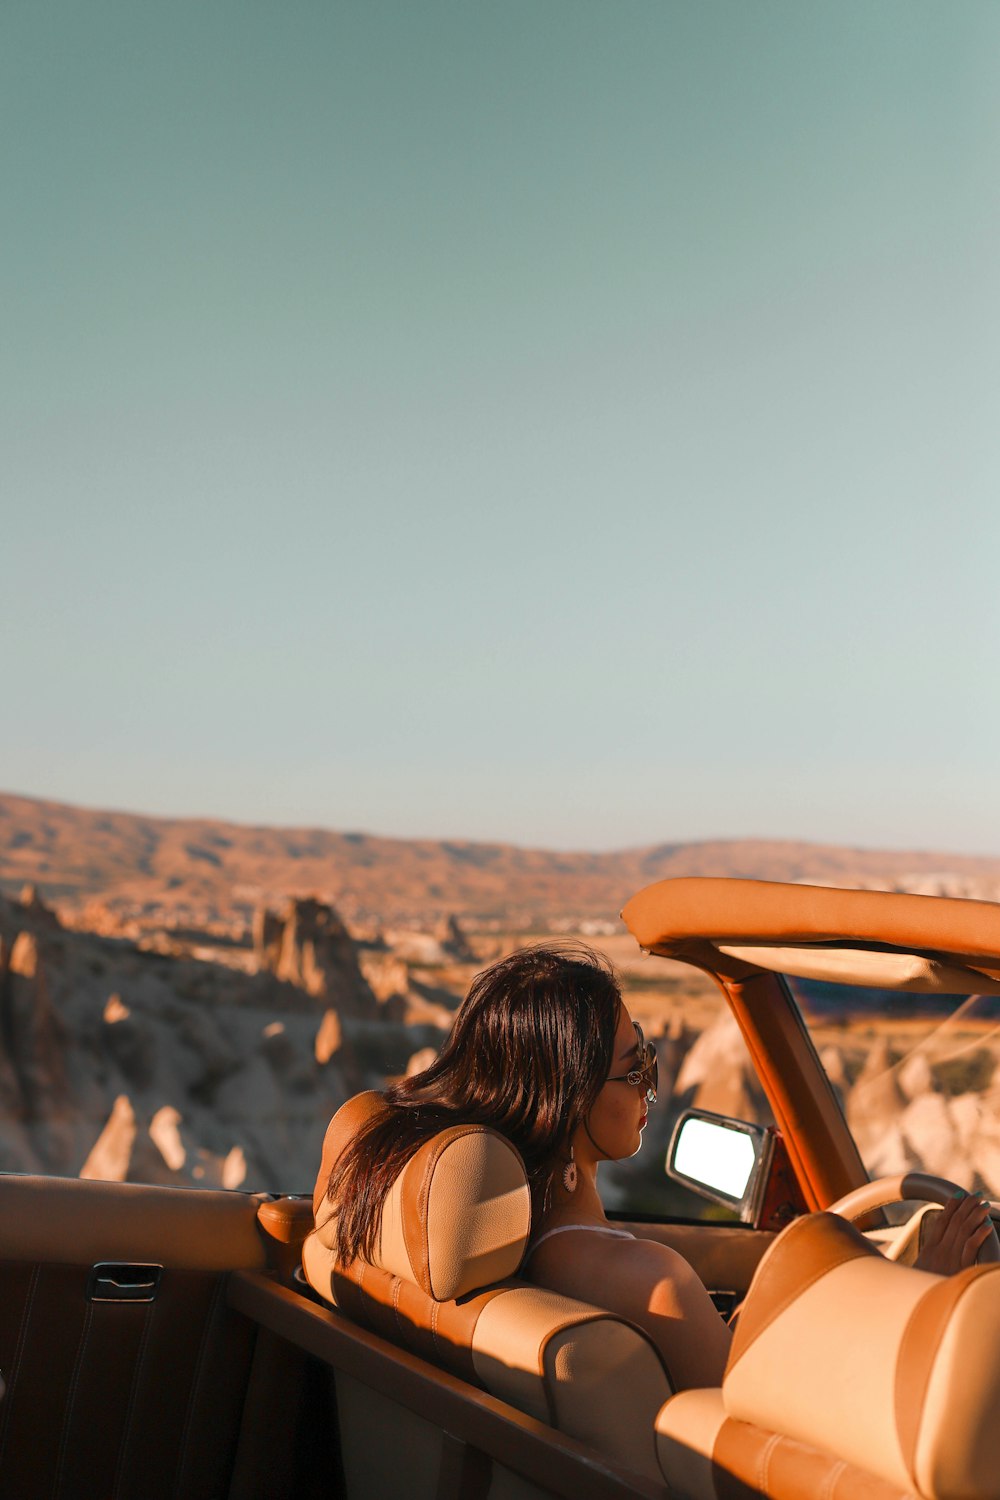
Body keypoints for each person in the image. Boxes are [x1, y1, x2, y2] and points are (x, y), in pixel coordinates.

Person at [322, 944, 996, 1390]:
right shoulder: (647, 1280)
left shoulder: (523, 1262)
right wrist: (926, 1295)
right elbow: (781, 1426)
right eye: (636, 1065)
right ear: (569, 1097)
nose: (652, 1083)